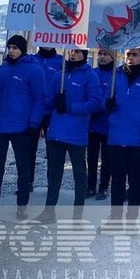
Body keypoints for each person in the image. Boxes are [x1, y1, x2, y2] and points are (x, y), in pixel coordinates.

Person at [0, 35, 45, 218]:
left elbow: (39, 99)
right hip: (0, 124)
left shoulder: (34, 70)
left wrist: (34, 123)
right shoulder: (4, 68)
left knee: (23, 167)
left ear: (22, 49)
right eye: (9, 47)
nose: (11, 50)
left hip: (22, 127)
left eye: (15, 47)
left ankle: (22, 205)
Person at [36, 49, 102, 223]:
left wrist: (71, 107)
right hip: (56, 131)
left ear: (84, 55)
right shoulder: (59, 75)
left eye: (78, 52)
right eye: (72, 51)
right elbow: (47, 101)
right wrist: (55, 101)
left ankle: (77, 214)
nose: (73, 54)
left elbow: (95, 102)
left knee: (79, 174)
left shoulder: (90, 76)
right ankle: (49, 211)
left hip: (77, 133)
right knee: (54, 173)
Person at [105, 47, 140, 223]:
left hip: (138, 136)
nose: (130, 58)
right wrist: (108, 103)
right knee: (117, 179)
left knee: (135, 178)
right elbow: (105, 99)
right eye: (128, 54)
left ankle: (132, 217)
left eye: (135, 54)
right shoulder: (116, 75)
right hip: (116, 134)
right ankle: (115, 217)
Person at [26, 46, 64, 193]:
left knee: (53, 151)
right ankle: (27, 182)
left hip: (52, 112)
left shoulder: (60, 62)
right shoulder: (32, 60)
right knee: (29, 148)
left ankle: (52, 183)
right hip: (33, 111)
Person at [88, 49, 115, 200]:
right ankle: (90, 186)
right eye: (101, 54)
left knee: (106, 158)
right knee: (91, 157)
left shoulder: (117, 75)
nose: (102, 57)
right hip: (92, 122)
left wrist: (103, 107)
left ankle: (103, 187)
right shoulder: (92, 73)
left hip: (107, 123)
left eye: (106, 55)